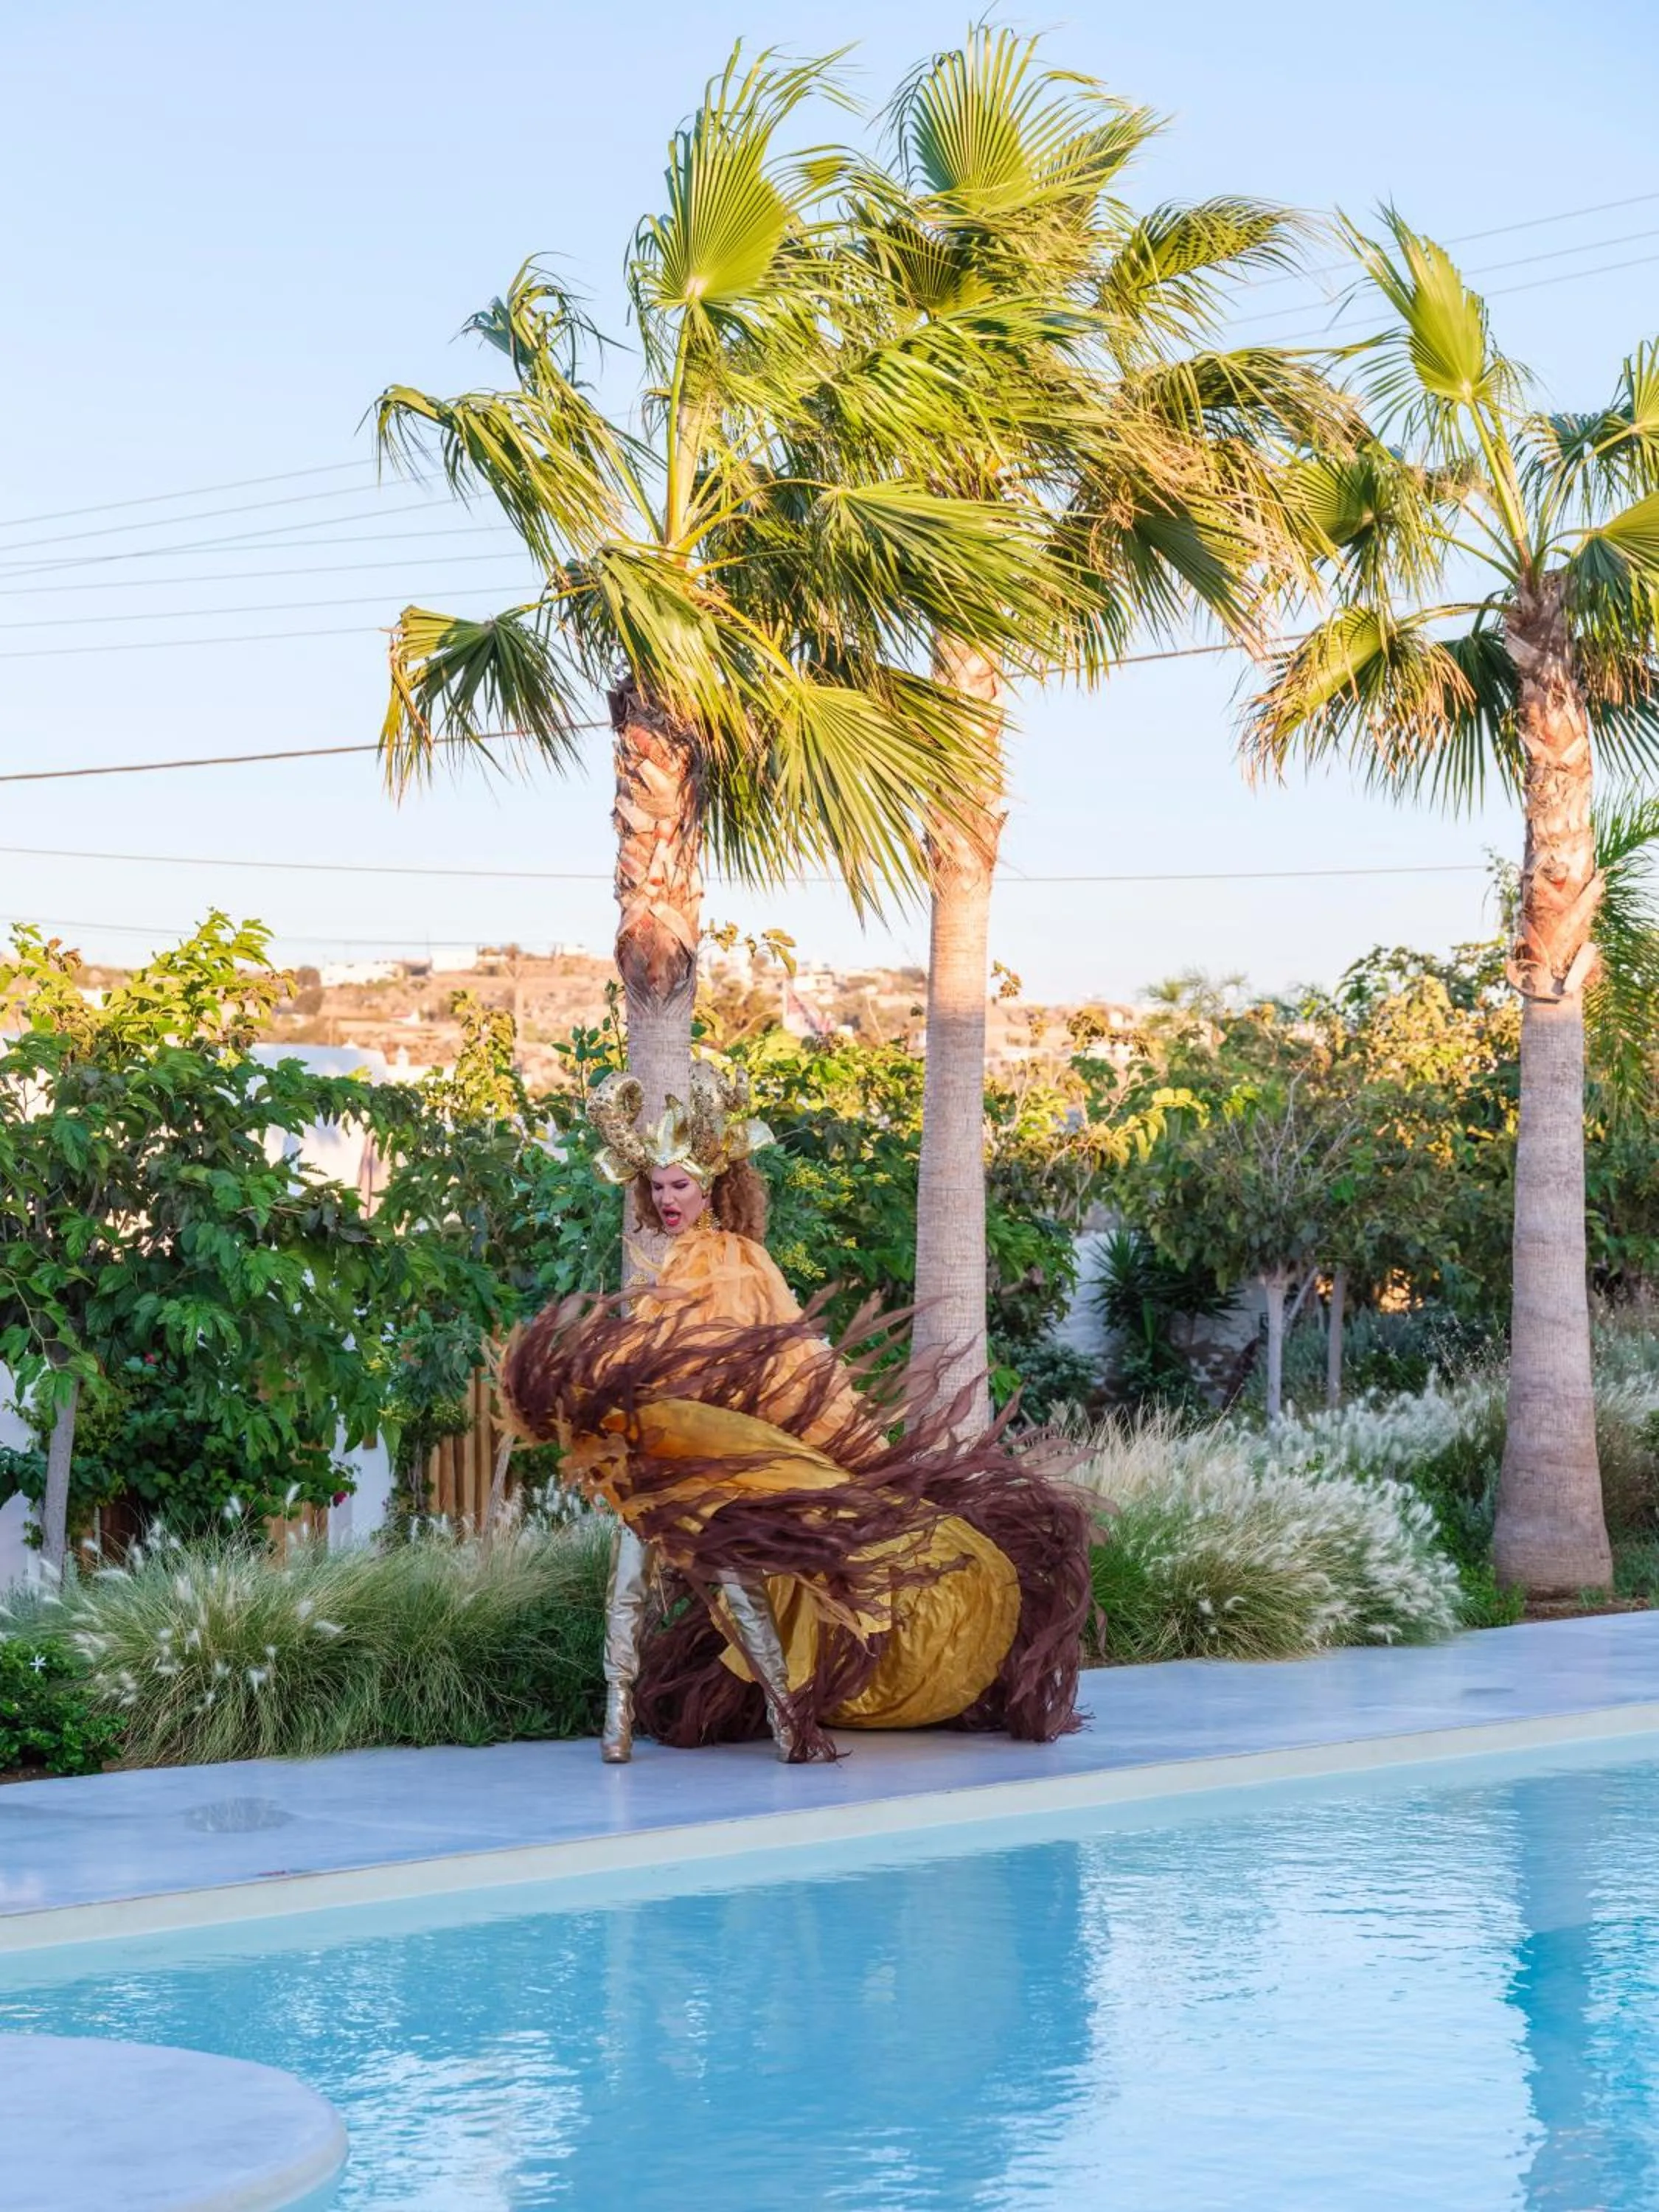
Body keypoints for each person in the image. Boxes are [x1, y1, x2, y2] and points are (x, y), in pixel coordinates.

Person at [501, 1062, 1093, 1763]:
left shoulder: (729, 1257)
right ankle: (623, 1726)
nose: (667, 1199)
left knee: (723, 1584)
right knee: (632, 1584)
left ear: (711, 1187)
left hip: (710, 1457)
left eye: (680, 1186)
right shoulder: (683, 1260)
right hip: (663, 1454)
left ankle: (773, 1726)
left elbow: (763, 1357)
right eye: (657, 1187)